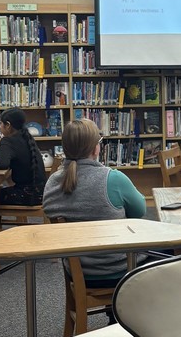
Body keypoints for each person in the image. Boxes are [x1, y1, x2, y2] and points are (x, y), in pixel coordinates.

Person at [42, 118, 146, 287]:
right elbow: (139, 210)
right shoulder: (113, 178)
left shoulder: (53, 182)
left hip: (78, 272)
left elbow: (49, 212)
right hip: (120, 269)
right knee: (178, 253)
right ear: (95, 148)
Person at [0, 107, 46, 237]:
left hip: (25, 195)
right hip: (40, 193)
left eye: (0, 123)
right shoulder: (27, 138)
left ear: (8, 125)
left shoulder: (7, 141)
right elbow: (15, 157)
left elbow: (2, 165)